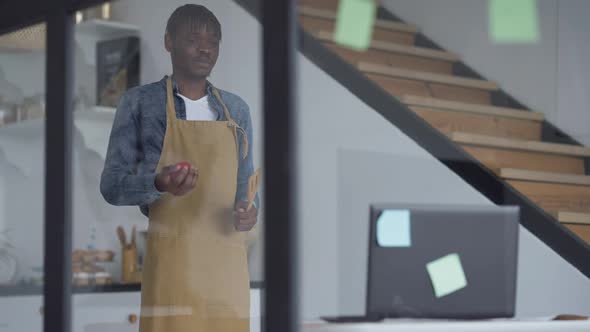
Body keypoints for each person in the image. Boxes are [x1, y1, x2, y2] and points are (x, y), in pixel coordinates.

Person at [100, 4, 259, 332]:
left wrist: (249, 212)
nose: (205, 48)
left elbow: (246, 188)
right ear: (168, 42)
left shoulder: (237, 110)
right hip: (173, 270)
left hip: (226, 273)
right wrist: (159, 183)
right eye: (193, 39)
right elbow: (112, 185)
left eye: (213, 41)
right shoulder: (140, 103)